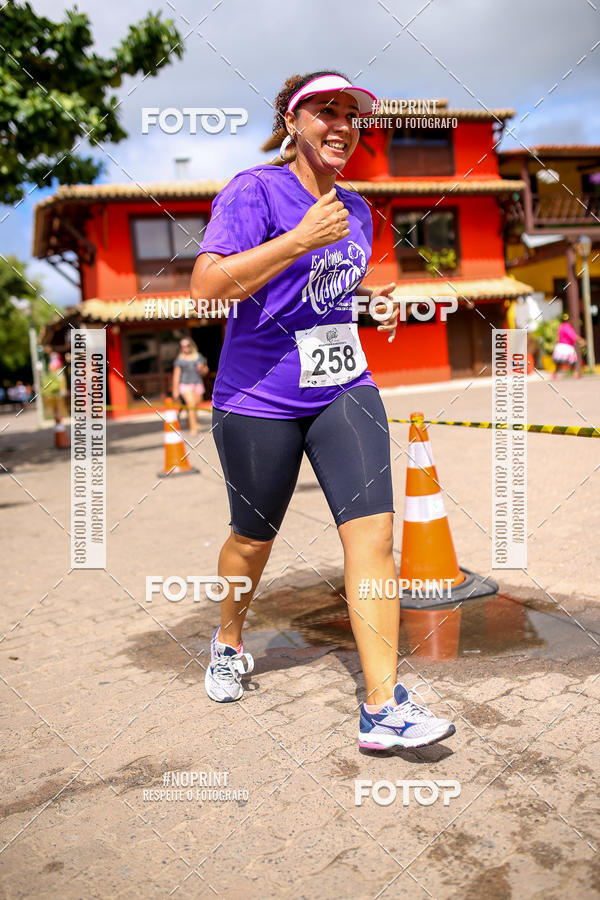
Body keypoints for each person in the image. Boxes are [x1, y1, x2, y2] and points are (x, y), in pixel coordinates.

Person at [191, 70, 455, 751]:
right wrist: (301, 238)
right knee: (253, 539)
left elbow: (318, 299)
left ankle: (381, 707)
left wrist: (370, 303)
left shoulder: (359, 211)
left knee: (373, 540)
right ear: (292, 119)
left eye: (350, 114)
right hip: (257, 400)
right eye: (324, 111)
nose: (340, 125)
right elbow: (206, 289)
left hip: (344, 388)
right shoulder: (254, 191)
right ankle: (227, 639)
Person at [172, 337, 209, 436]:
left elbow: (205, 372)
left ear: (191, 346)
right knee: (191, 405)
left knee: (195, 405)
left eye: (187, 345)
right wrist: (175, 390)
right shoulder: (179, 360)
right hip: (185, 385)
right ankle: (193, 429)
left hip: (197, 383)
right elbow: (176, 375)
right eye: (182, 346)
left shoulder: (198, 357)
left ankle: (192, 423)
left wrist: (202, 368)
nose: (185, 348)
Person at [552, 314, 586, 379]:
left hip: (560, 346)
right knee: (573, 361)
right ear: (569, 320)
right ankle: (576, 373)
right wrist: (582, 340)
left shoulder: (561, 326)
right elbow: (574, 336)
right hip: (567, 347)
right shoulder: (567, 327)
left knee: (559, 362)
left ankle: (555, 374)